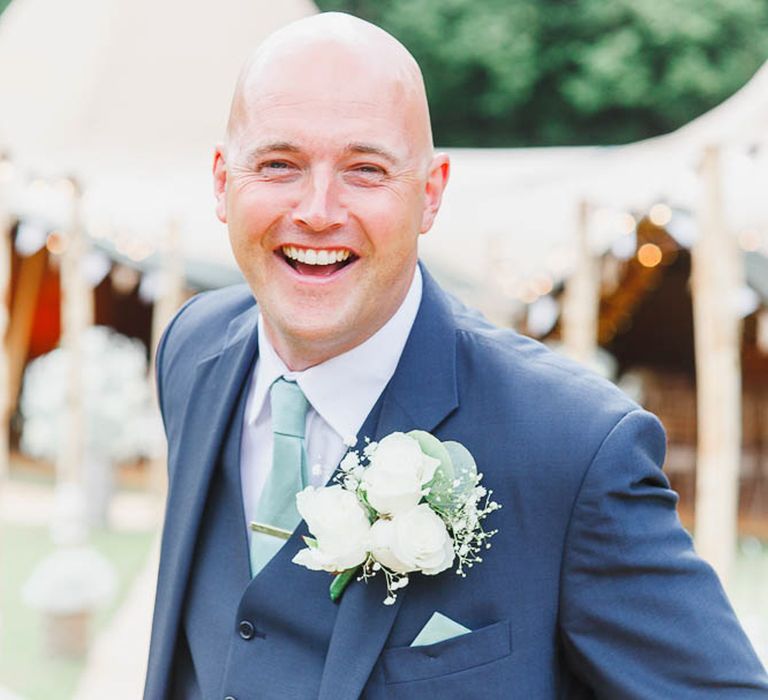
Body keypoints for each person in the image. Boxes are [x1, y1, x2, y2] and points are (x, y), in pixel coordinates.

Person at [144, 12, 768, 699]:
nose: (317, 210)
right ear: (220, 182)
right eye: (278, 164)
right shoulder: (191, 350)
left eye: (365, 169)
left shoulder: (573, 446)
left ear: (431, 193)